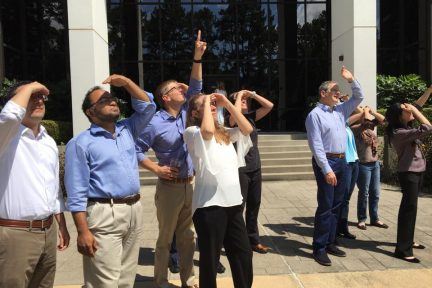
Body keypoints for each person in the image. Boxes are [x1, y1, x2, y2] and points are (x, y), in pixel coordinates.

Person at [65, 74, 155, 287]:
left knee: (126, 279)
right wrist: (82, 231)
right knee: (104, 282)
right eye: (104, 101)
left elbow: (148, 107)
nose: (112, 101)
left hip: (134, 209)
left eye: (113, 98)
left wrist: (126, 83)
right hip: (105, 213)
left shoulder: (127, 130)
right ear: (91, 111)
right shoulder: (81, 143)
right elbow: (76, 192)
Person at [135, 30, 206, 288]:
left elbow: (196, 87)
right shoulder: (153, 123)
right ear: (166, 97)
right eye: (176, 87)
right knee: (165, 238)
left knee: (188, 237)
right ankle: (160, 281)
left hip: (191, 184)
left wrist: (197, 58)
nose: (181, 88)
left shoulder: (188, 112)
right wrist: (156, 168)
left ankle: (188, 280)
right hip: (169, 187)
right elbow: (135, 149)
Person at [0, 81, 70, 287]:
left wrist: (62, 224)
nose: (39, 100)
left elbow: (53, 187)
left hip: (47, 231)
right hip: (15, 234)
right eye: (32, 96)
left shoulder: (47, 141)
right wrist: (30, 87)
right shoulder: (6, 137)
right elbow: (9, 116)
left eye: (41, 97)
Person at [184, 92, 253, 288]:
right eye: (206, 104)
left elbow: (247, 129)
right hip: (209, 207)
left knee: (243, 253)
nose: (213, 106)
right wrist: (207, 101)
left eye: (214, 104)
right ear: (195, 112)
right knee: (210, 260)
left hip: (232, 204)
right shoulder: (192, 132)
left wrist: (228, 104)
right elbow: (206, 132)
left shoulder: (224, 133)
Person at [305, 66, 364, 266]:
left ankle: (331, 242)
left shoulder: (340, 111)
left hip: (343, 161)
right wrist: (326, 169)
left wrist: (351, 79)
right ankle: (319, 247)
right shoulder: (315, 115)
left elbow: (359, 96)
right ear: (323, 94)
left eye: (339, 90)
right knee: (326, 206)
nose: (339, 94)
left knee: (338, 204)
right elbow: (316, 146)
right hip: (328, 162)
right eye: (334, 91)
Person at [385, 94, 432, 263]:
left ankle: (408, 240)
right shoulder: (399, 132)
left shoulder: (406, 127)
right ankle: (403, 250)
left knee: (411, 209)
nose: (410, 110)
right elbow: (428, 127)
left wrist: (429, 91)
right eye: (406, 110)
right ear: (399, 115)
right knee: (408, 210)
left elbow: (417, 106)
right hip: (409, 173)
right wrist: (412, 109)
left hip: (416, 171)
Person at [228, 89, 274, 253]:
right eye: (240, 100)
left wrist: (253, 95)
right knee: (238, 207)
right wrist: (238, 95)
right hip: (239, 169)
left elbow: (269, 106)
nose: (244, 102)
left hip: (255, 166)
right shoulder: (229, 119)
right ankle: (235, 241)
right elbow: (234, 119)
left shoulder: (251, 117)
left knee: (254, 205)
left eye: (246, 101)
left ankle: (253, 240)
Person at [351, 106, 388, 230]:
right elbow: (366, 120)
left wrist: (372, 111)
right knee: (364, 193)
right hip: (363, 164)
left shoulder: (369, 126)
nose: (363, 110)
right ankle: (362, 219)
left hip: (375, 164)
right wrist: (365, 111)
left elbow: (384, 120)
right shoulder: (355, 128)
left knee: (375, 193)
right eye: (361, 110)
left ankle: (375, 218)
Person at [337, 102, 363, 240]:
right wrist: (362, 109)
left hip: (354, 162)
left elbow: (364, 116)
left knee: (346, 198)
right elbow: (362, 114)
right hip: (345, 163)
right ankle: (338, 227)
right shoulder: (339, 122)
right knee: (342, 197)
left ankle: (342, 227)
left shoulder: (347, 126)